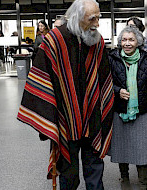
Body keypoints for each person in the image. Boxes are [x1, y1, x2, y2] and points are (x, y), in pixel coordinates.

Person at [17, 0, 114, 189]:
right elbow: (41, 77)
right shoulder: (54, 40)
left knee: (95, 168)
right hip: (65, 118)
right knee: (68, 173)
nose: (97, 23)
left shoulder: (97, 40)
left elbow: (103, 77)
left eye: (98, 17)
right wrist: (49, 117)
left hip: (92, 115)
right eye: (92, 18)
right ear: (77, 17)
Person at [108, 25, 147, 190]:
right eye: (124, 40)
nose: (127, 43)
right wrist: (117, 91)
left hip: (141, 111)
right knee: (121, 147)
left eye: (131, 39)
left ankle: (143, 183)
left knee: (141, 149)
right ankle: (125, 178)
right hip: (120, 111)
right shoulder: (112, 58)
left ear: (138, 42)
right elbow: (105, 83)